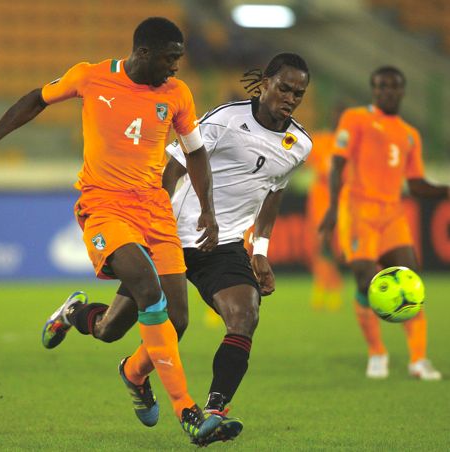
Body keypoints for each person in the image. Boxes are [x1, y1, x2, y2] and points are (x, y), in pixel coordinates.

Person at [0, 17, 225, 444]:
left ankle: (112, 353)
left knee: (162, 323)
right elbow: (37, 98)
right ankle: (189, 412)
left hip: (154, 211)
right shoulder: (90, 76)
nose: (176, 68)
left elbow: (195, 154)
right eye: (169, 59)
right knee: (145, 283)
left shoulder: (176, 94)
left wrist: (208, 212)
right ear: (143, 54)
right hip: (104, 205)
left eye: (179, 59)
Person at [56, 53, 312, 433]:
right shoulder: (226, 119)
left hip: (222, 244)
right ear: (264, 85)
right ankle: (76, 317)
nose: (290, 98)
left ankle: (215, 410)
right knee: (114, 329)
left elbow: (273, 191)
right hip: (171, 232)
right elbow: (174, 167)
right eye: (284, 88)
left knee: (245, 316)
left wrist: (260, 251)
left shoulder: (300, 144)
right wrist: (149, 224)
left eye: (299, 93)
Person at [319, 66, 450, 380]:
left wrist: (444, 190)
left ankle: (418, 359)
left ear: (402, 90)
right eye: (381, 86)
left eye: (393, 87)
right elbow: (337, 165)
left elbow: (415, 184)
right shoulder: (356, 118)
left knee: (410, 281)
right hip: (358, 211)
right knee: (364, 281)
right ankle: (377, 352)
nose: (387, 91)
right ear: (373, 89)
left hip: (391, 216)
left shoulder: (410, 135)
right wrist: (333, 209)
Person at [305, 105, 346, 311]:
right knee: (321, 243)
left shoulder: (350, 145)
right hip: (320, 201)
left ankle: (334, 287)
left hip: (341, 200)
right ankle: (322, 286)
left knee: (335, 247)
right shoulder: (320, 141)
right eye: (336, 115)